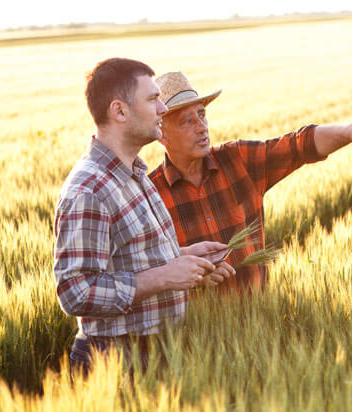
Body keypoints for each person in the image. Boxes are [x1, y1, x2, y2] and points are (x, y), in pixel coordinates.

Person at [53, 59, 235, 377]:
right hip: (115, 363)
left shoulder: (134, 172)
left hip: (155, 355)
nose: (163, 109)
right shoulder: (89, 190)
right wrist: (165, 277)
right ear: (120, 111)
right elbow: (74, 292)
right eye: (153, 99)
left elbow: (129, 258)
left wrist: (185, 261)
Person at [149, 71, 352, 292]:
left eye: (202, 115)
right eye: (187, 121)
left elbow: (299, 145)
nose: (202, 127)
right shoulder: (150, 195)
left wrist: (350, 131)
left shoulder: (238, 160)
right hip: (195, 335)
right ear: (161, 134)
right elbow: (144, 268)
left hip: (260, 319)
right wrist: (192, 278)